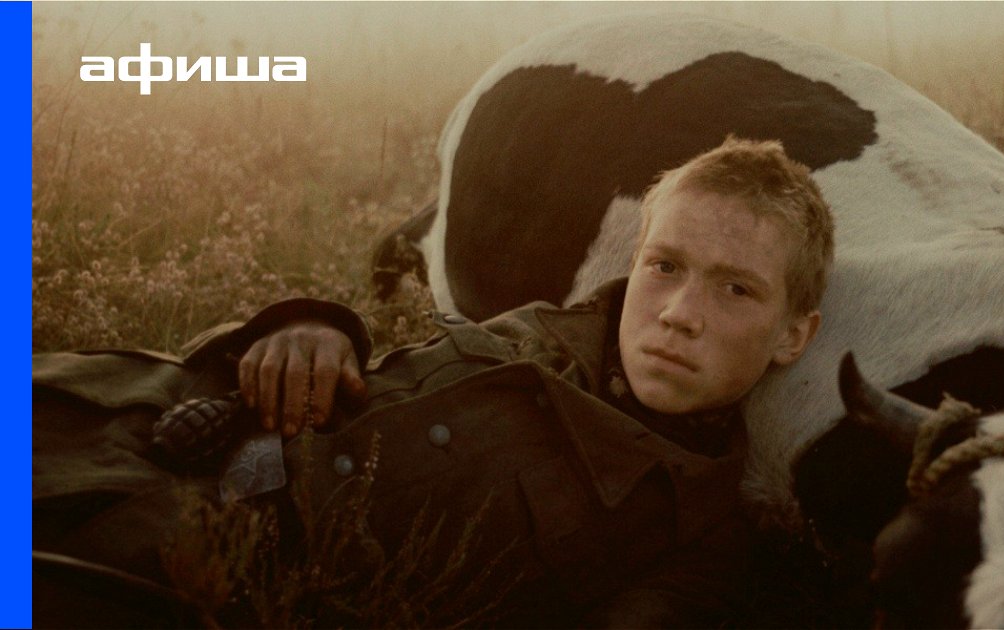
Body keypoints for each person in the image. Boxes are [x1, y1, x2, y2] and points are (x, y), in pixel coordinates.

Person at [33, 137, 834, 627]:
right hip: (114, 434)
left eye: (736, 289)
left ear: (794, 335)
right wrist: (309, 328)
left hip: (183, 588)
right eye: (665, 267)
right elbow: (387, 370)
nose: (680, 314)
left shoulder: (698, 540)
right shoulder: (546, 330)